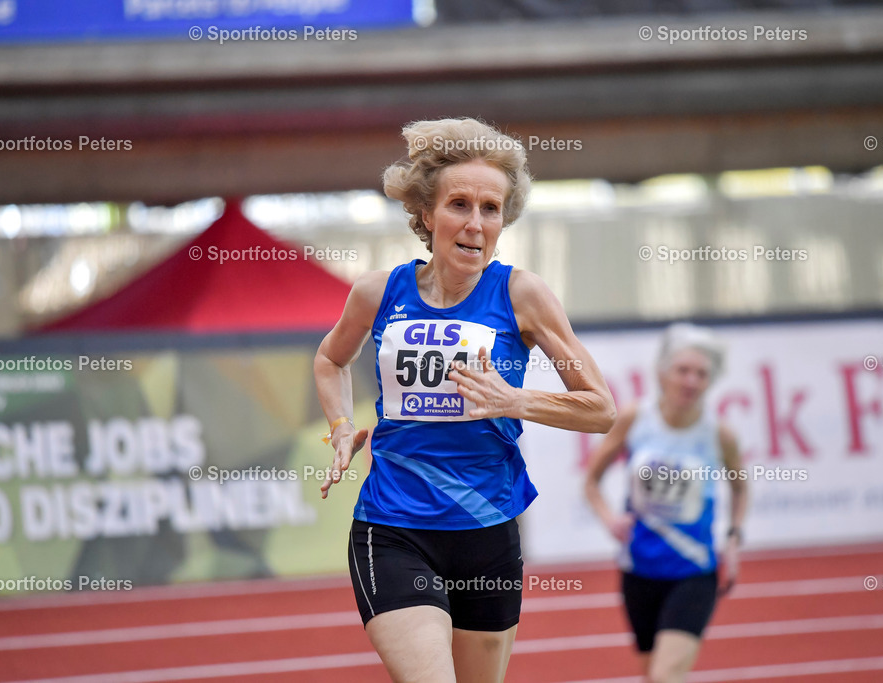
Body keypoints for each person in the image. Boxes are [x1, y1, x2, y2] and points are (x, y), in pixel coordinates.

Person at [313, 117, 616, 683]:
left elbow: (600, 408)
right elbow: (330, 359)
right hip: (393, 526)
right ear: (427, 216)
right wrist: (337, 426)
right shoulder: (379, 293)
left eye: (491, 208)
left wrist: (514, 400)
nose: (476, 223)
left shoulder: (522, 296)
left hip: (488, 532)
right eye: (459, 204)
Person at [584, 323, 748, 683]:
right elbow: (591, 480)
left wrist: (734, 538)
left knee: (663, 676)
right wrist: (610, 519)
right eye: (683, 371)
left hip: (693, 571)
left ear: (711, 381)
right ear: (663, 373)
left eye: (701, 374)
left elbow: (739, 487)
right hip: (639, 569)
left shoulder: (719, 434)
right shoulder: (634, 419)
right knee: (651, 676)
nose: (691, 381)